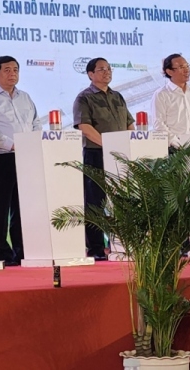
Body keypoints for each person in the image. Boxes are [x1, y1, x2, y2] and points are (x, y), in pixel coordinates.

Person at [0, 55, 39, 267]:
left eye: (15, 70)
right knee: (0, 208)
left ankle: (22, 251)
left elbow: (35, 123)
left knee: (23, 208)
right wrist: (12, 144)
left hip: (26, 158)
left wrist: (32, 142)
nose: (12, 74)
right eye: (7, 70)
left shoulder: (26, 97)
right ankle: (2, 252)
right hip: (1, 158)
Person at [72, 58, 134, 260]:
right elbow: (85, 127)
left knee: (122, 199)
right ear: (90, 74)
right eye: (101, 69)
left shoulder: (117, 96)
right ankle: (96, 249)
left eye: (109, 68)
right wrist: (107, 145)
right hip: (95, 153)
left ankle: (122, 245)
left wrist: (127, 141)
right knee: (95, 201)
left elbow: (129, 123)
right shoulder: (84, 98)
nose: (107, 72)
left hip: (120, 153)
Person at [151, 53, 190, 146]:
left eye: (187, 66)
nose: (187, 70)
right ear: (169, 72)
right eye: (181, 67)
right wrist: (175, 142)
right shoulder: (161, 95)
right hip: (176, 150)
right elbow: (158, 124)